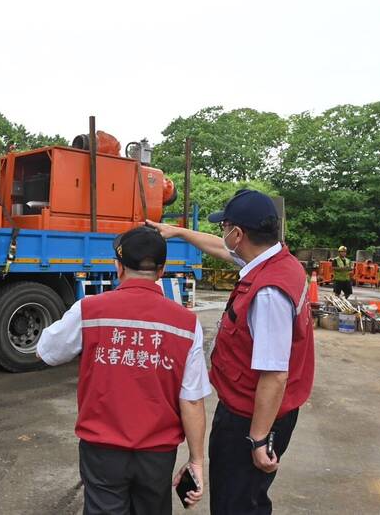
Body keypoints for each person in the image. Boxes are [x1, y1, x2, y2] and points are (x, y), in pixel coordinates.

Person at [148, 189, 315, 515]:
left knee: (235, 502)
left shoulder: (268, 292)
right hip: (253, 408)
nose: (221, 234)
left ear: (238, 234)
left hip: (251, 417)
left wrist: (257, 438)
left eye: (224, 227)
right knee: (246, 494)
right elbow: (219, 248)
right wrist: (177, 231)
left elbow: (275, 374)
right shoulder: (277, 260)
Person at [36, 226, 211, 514]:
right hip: (157, 454)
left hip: (102, 451)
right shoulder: (186, 323)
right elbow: (191, 399)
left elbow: (47, 351)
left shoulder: (89, 310)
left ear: (118, 266)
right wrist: (196, 461)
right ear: (162, 270)